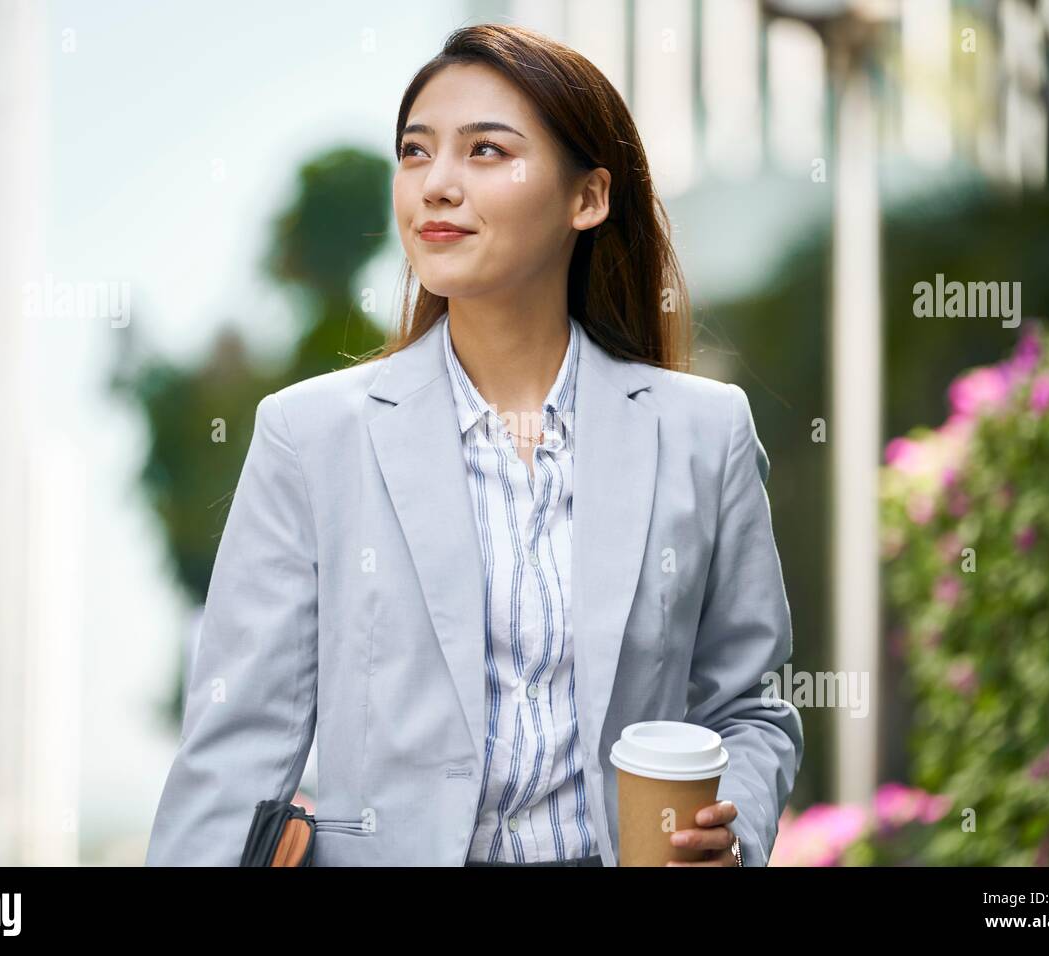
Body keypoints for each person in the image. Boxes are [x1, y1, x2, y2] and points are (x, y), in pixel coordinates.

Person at [145, 22, 803, 868]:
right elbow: (234, 752)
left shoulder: (704, 434)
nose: (437, 186)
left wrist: (733, 829)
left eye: (487, 152)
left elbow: (749, 706)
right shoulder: (310, 438)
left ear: (589, 198)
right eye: (416, 154)